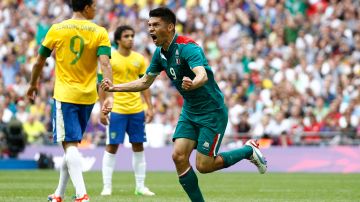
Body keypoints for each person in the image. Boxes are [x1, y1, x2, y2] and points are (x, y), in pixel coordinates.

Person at [101, 7, 267, 202]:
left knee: (204, 166)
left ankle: (249, 150)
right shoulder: (159, 54)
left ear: (170, 27)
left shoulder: (188, 47)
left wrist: (194, 82)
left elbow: (202, 74)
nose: (151, 29)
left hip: (211, 111)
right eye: (149, 25)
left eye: (156, 25)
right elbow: (145, 82)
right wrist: (114, 88)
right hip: (190, 110)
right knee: (178, 157)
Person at [26, 1, 113, 202]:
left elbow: (40, 61)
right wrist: (108, 96)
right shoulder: (99, 31)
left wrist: (32, 84)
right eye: (94, 5)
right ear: (86, 7)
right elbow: (105, 64)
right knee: (70, 145)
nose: (97, 9)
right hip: (88, 96)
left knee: (70, 145)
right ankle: (59, 194)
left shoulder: (57, 29)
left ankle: (82, 195)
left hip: (65, 95)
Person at [100, 25, 155, 196]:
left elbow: (145, 84)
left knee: (138, 145)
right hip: (116, 109)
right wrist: (103, 108)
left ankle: (140, 186)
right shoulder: (110, 58)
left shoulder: (139, 59)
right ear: (118, 40)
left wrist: (149, 106)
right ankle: (107, 186)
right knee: (112, 146)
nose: (130, 39)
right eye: (126, 36)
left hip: (136, 109)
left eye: (132, 35)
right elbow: (102, 85)